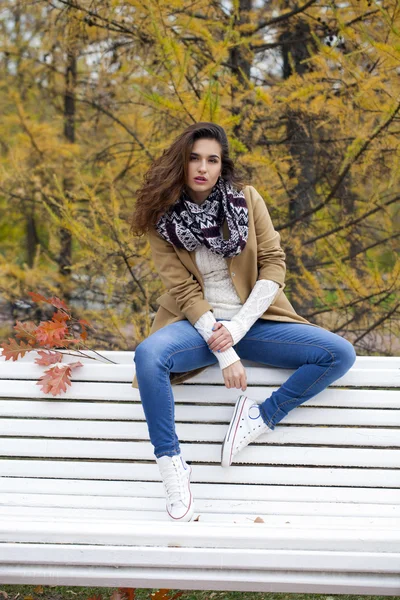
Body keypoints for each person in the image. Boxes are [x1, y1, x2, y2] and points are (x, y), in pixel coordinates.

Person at [129, 122, 356, 523]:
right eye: (194, 158)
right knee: (149, 356)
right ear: (181, 164)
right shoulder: (161, 220)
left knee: (338, 353)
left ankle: (259, 417)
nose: (202, 167)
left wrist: (237, 329)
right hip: (197, 327)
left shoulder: (247, 201)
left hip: (256, 321)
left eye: (212, 159)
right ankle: (172, 467)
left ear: (222, 166)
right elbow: (184, 292)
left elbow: (273, 264)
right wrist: (225, 350)